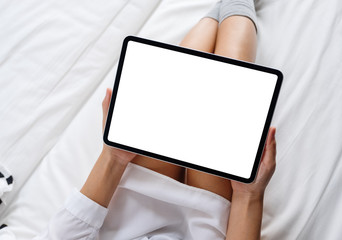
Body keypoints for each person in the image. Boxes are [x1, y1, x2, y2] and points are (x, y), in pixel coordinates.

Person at [34, 0, 277, 239]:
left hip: (137, 200)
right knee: (232, 79)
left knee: (182, 74)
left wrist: (113, 156)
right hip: (203, 222)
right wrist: (249, 196)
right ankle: (233, 4)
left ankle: (225, 6)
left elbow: (69, 230)